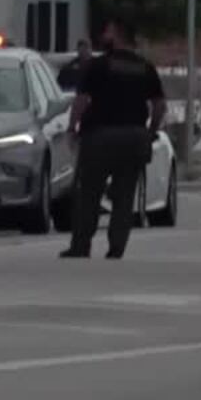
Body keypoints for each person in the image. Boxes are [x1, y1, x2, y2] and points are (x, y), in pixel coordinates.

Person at [60, 19, 165, 259]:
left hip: (100, 136)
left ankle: (81, 245)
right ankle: (116, 247)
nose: (105, 34)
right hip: (134, 137)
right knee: (125, 195)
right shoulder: (145, 67)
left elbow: (82, 100)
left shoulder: (98, 66)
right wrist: (150, 132)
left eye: (108, 31)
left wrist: (72, 127)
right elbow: (159, 105)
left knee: (89, 193)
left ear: (117, 35)